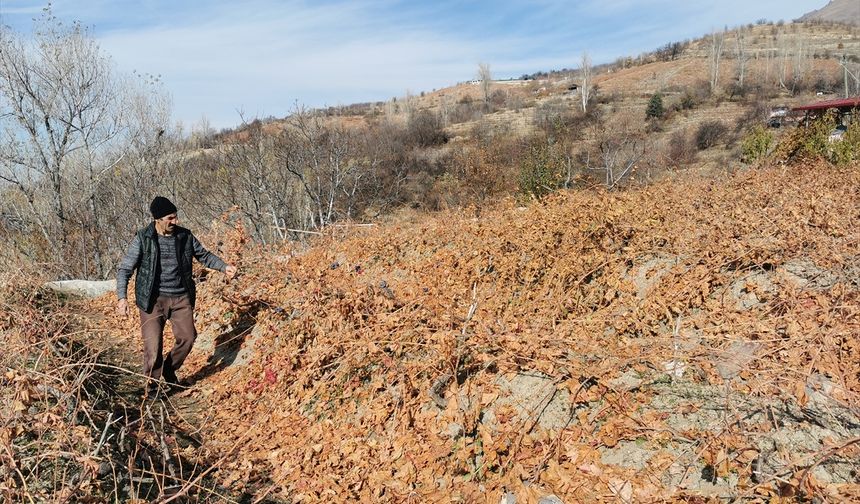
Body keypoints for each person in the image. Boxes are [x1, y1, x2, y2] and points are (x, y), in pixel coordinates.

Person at [116, 196, 237, 393]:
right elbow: (125, 269)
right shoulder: (143, 239)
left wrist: (224, 267)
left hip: (181, 297)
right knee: (153, 349)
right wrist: (122, 298)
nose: (175, 221)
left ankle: (169, 370)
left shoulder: (185, 236)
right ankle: (153, 387)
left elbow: (204, 256)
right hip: (152, 300)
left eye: (176, 217)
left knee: (188, 337)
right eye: (170, 218)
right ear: (158, 219)